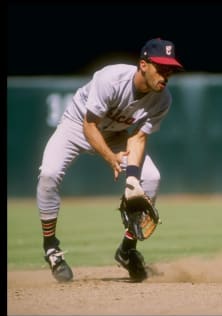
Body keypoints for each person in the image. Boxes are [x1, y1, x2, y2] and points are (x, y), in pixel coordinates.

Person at [36, 37, 184, 282]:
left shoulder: (162, 99)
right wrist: (110, 157)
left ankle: (127, 250)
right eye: (161, 68)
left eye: (171, 70)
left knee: (151, 178)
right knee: (49, 174)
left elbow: (137, 138)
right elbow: (89, 125)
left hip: (115, 134)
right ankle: (51, 248)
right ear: (144, 65)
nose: (166, 75)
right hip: (76, 126)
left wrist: (133, 180)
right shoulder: (111, 79)